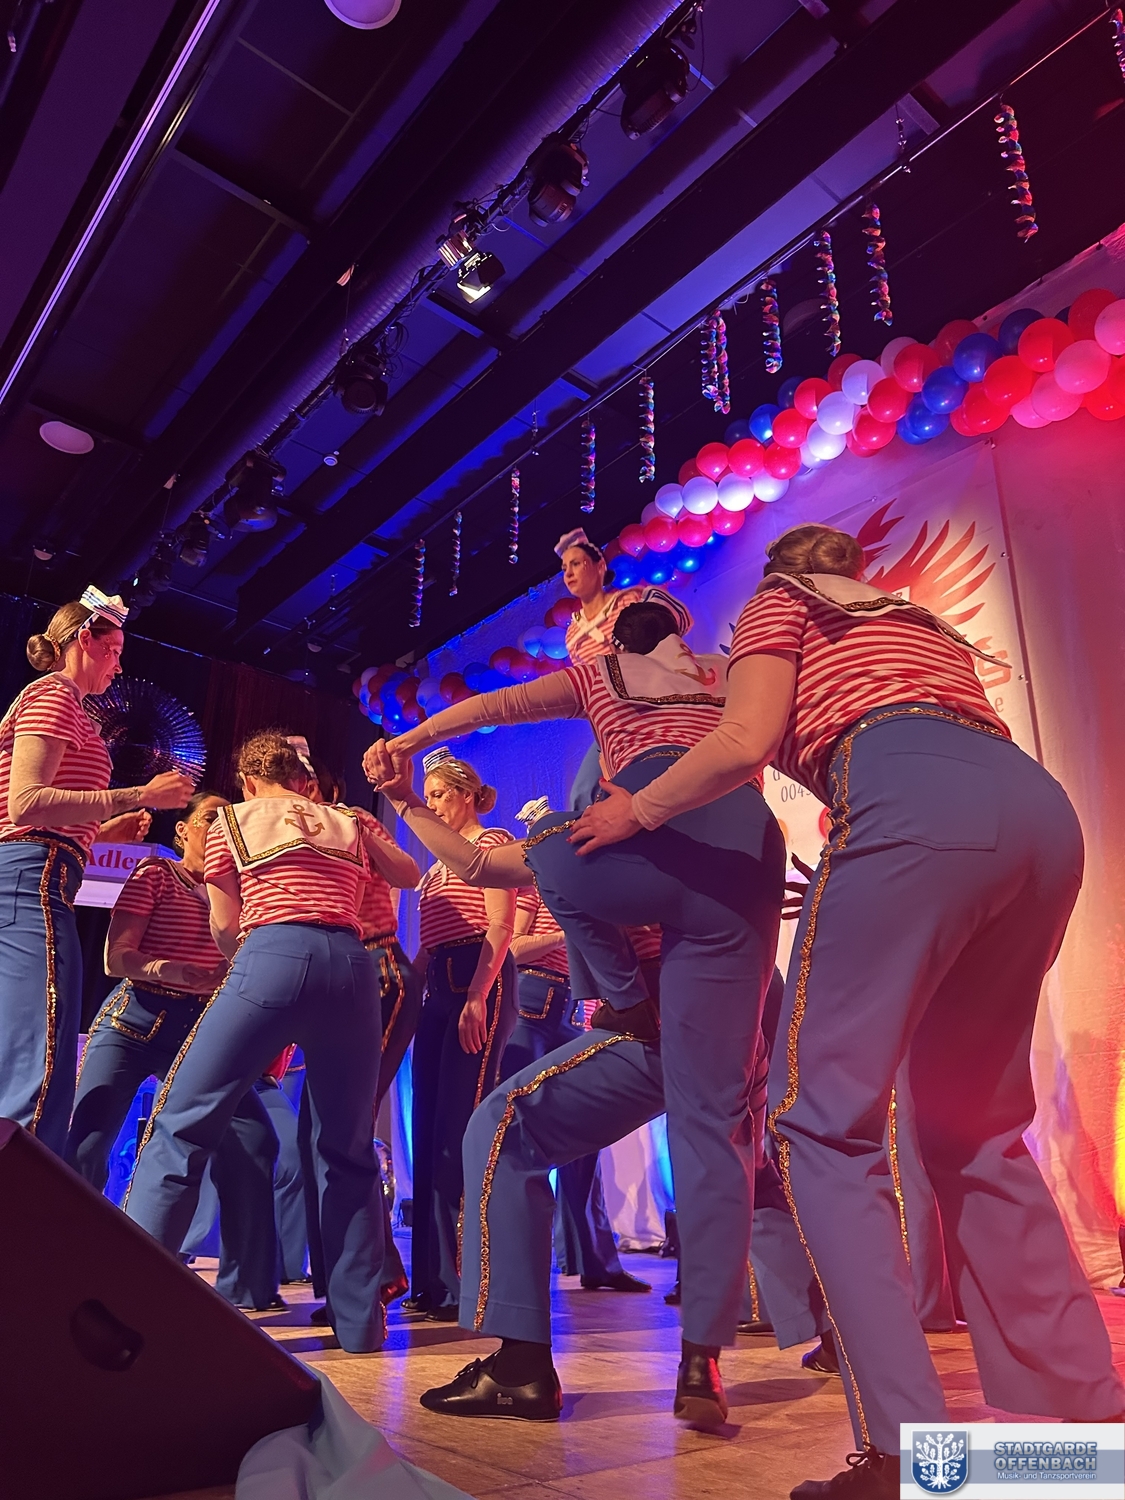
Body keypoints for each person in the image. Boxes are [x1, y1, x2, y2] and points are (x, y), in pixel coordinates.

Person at [568, 524, 1125, 1497]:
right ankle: (1088, 1434)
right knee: (974, 1129)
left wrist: (634, 810)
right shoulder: (915, 620)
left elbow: (742, 741)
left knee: (820, 1124)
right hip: (1034, 815)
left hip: (905, 803)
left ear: (778, 574)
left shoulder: (777, 605)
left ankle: (909, 1456)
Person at [366, 596, 784, 1426]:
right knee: (731, 1147)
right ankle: (711, 1358)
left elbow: (499, 720)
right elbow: (491, 865)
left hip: (656, 1003)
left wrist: (411, 744)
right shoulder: (725, 691)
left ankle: (522, 1363)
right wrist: (409, 800)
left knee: (502, 1127)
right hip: (734, 959)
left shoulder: (609, 744)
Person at [125, 730, 392, 1354]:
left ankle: (128, 1306)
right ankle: (360, 1325)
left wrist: (250, 965)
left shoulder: (231, 820)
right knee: (350, 1150)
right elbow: (393, 880)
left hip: (272, 954)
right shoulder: (345, 821)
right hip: (353, 969)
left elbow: (225, 925)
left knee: (181, 1124)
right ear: (301, 778)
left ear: (247, 781)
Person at [66, 790, 283, 1309]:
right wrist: (177, 971)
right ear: (182, 830)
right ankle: (66, 1263)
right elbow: (116, 957)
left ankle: (248, 1289)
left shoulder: (242, 893)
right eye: (209, 818)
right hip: (133, 1021)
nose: (220, 827)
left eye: (229, 820)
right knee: (87, 1145)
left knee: (255, 1141)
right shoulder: (156, 875)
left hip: (200, 1030)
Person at [0, 589, 192, 1155]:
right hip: (33, 877)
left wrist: (102, 830)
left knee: (26, 1039)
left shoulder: (65, 705)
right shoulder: (54, 696)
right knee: (42, 1048)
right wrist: (139, 794)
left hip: (38, 871)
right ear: (85, 639)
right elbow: (25, 805)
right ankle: (24, 1192)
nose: (119, 666)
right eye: (114, 651)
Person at [290, 739, 422, 1318]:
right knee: (313, 1133)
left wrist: (356, 828)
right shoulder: (279, 830)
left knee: (346, 1125)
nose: (294, 787)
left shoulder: (350, 820)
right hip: (330, 975)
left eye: (301, 775)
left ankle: (370, 1279)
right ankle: (354, 1279)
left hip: (377, 967)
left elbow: (407, 873)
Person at [402, 753, 518, 1322]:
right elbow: (427, 949)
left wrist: (477, 995)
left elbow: (500, 924)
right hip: (438, 986)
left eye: (439, 795)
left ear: (466, 794)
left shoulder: (489, 843)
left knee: (458, 1124)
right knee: (427, 1129)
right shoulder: (434, 867)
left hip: (477, 976)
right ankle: (429, 1280)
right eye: (425, 797)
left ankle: (461, 1282)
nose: (432, 805)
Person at [504, 849, 649, 1297]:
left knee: (587, 1135)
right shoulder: (536, 887)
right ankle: (518, 1262)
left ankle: (595, 1261)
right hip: (531, 1000)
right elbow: (512, 948)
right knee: (520, 1125)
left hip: (573, 1004)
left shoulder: (591, 891)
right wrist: (564, 933)